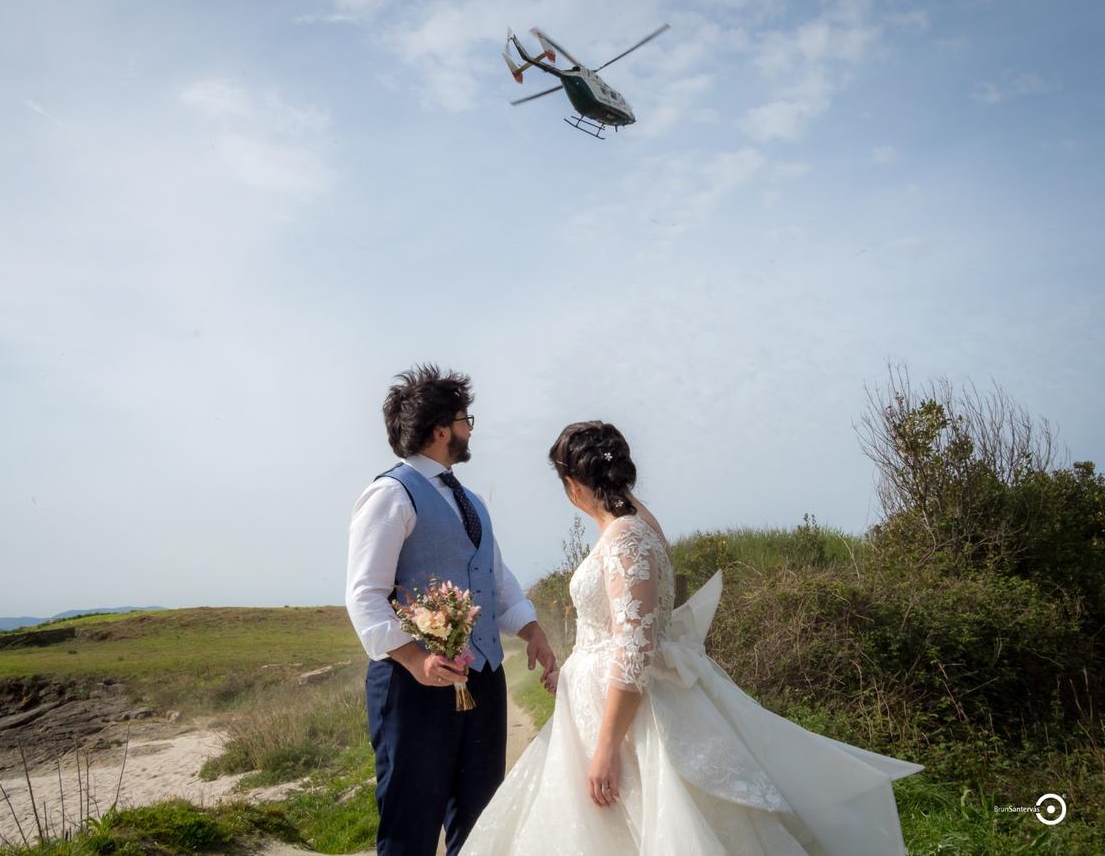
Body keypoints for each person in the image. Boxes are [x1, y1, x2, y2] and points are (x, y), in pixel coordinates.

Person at [463, 421, 925, 855]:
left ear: (573, 484)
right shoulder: (631, 527)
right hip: (593, 706)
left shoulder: (626, 538)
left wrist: (605, 750)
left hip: (628, 721)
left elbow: (634, 649)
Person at [346, 364, 558, 856]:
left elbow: (494, 576)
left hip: (484, 678)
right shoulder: (389, 495)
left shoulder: (474, 502)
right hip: (414, 687)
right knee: (411, 825)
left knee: (482, 821)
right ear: (442, 429)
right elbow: (365, 595)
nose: (469, 430)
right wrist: (416, 660)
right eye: (466, 419)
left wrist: (531, 630)